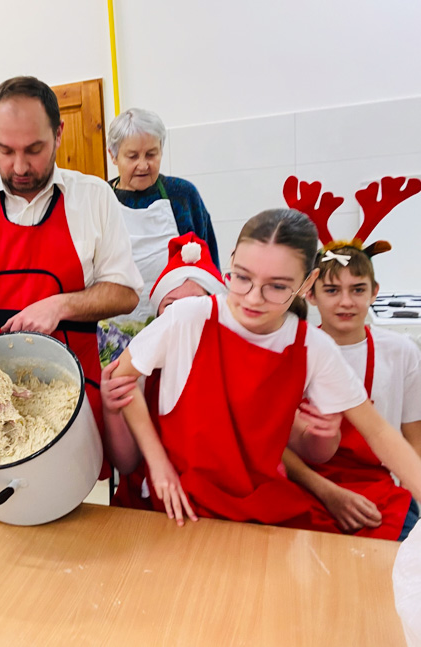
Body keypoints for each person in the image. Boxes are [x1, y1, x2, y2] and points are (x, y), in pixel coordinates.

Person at [110, 208, 421, 528]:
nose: (253, 298)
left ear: (306, 283)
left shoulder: (312, 347)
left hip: (260, 511)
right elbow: (123, 378)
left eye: (276, 286)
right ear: (232, 259)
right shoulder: (190, 317)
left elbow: (380, 432)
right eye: (242, 277)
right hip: (182, 506)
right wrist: (157, 463)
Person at [0, 76, 142, 473]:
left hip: (76, 394)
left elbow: (125, 293)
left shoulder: (93, 196)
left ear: (59, 133)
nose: (19, 166)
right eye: (5, 150)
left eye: (34, 149)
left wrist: (61, 304)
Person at [282, 242, 421, 540]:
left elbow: (414, 439)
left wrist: (411, 494)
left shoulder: (402, 352)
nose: (346, 302)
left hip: (380, 492)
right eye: (332, 290)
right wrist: (329, 492)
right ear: (311, 294)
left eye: (358, 290)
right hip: (306, 484)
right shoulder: (290, 352)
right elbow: (275, 445)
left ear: (375, 292)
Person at [102, 233, 225, 508]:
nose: (181, 319)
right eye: (171, 308)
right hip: (150, 506)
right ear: (157, 319)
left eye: (194, 305)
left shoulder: (231, 364)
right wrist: (112, 411)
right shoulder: (140, 372)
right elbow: (127, 462)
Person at [99, 108, 220, 363]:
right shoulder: (99, 199)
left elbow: (209, 265)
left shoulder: (182, 195)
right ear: (113, 155)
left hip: (178, 328)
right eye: (132, 156)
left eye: (151, 154)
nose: (143, 165)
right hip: (113, 334)